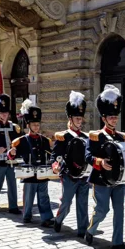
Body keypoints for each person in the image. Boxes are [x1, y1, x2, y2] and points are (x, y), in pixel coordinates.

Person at [84, 85, 125, 249]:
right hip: (101, 179)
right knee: (102, 210)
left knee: (119, 211)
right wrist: (100, 162)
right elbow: (88, 156)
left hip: (118, 179)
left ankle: (117, 242)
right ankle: (91, 230)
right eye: (111, 117)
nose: (114, 120)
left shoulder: (122, 137)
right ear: (104, 118)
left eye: (115, 117)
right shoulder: (95, 136)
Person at [51, 92, 90, 235]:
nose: (79, 121)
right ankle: (58, 220)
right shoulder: (63, 136)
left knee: (83, 204)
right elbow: (55, 155)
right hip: (68, 175)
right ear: (70, 118)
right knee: (66, 202)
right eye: (77, 118)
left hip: (84, 176)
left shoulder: (86, 137)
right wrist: (55, 165)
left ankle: (82, 230)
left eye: (81, 118)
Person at [11, 99, 54, 225]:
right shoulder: (21, 141)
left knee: (44, 197)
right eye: (34, 124)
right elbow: (12, 154)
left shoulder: (45, 140)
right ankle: (27, 215)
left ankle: (46, 218)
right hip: (29, 173)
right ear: (28, 125)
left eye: (38, 124)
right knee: (29, 196)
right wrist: (12, 153)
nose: (36, 127)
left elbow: (50, 154)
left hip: (42, 172)